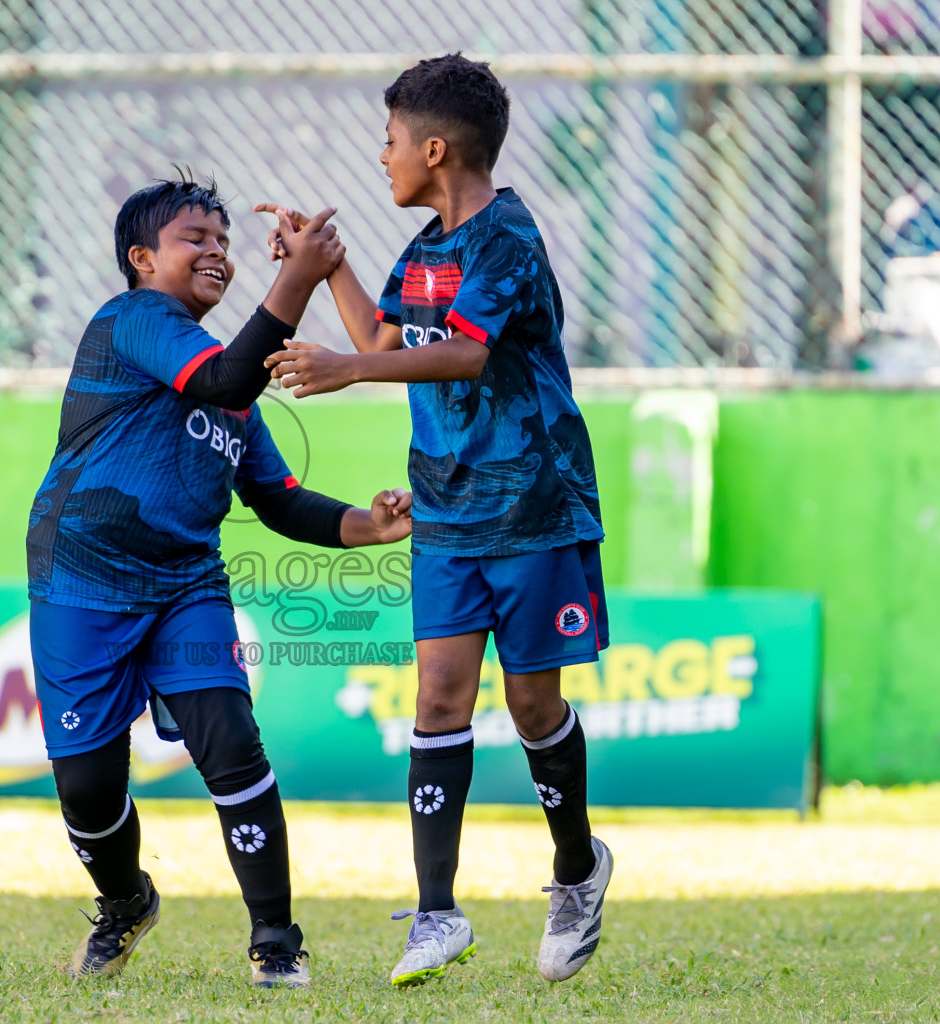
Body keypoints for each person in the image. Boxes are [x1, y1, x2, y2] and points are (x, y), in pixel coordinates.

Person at [258, 54, 613, 986]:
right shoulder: (420, 255)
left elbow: (462, 355)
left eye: (388, 144)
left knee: (533, 705)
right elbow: (383, 339)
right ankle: (435, 912)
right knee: (438, 701)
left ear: (434, 147)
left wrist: (346, 369)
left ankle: (577, 871)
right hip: (449, 516)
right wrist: (327, 269)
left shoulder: (508, 237)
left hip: (533, 509)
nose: (381, 161)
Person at [26, 174, 412, 988]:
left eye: (223, 242)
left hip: (184, 585)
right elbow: (228, 378)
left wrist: (369, 525)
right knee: (89, 788)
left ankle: (277, 942)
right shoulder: (132, 320)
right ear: (140, 258)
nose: (215, 252)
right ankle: (126, 901)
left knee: (231, 744)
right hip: (80, 580)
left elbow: (279, 500)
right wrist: (299, 274)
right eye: (192, 239)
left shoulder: (231, 389)